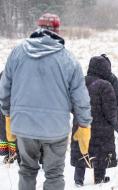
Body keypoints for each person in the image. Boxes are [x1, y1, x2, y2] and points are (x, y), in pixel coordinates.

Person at [0, 13, 92, 190]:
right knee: (54, 174)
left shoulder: (17, 53)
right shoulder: (69, 60)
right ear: (58, 30)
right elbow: (80, 99)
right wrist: (84, 124)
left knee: (27, 170)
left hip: (24, 126)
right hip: (55, 129)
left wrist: (8, 115)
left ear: (38, 28)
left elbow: (4, 89)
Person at [71, 55, 118, 186]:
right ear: (104, 69)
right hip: (101, 127)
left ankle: (78, 179)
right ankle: (99, 178)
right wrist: (113, 122)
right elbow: (111, 110)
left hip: (81, 124)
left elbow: (71, 105)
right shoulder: (105, 86)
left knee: (81, 150)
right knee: (100, 152)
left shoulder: (79, 83)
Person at [100, 54, 118, 162]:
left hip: (97, 114)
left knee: (102, 139)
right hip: (113, 113)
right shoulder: (111, 77)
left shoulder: (91, 78)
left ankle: (103, 160)